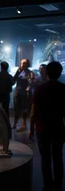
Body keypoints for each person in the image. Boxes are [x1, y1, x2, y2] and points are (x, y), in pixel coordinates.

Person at [29, 61, 65, 191]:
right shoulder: (63, 88)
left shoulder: (40, 89)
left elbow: (33, 111)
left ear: (47, 72)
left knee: (45, 158)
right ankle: (59, 185)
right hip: (58, 128)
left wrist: (31, 129)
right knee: (58, 157)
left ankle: (48, 185)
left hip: (42, 128)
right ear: (60, 73)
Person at [12, 58, 35, 131]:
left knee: (25, 109)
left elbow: (31, 81)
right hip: (18, 92)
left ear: (28, 64)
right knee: (17, 109)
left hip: (25, 93)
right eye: (22, 63)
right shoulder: (18, 71)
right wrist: (17, 73)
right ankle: (15, 124)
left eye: (25, 63)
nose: (23, 64)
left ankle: (24, 124)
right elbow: (13, 80)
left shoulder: (30, 72)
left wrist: (28, 87)